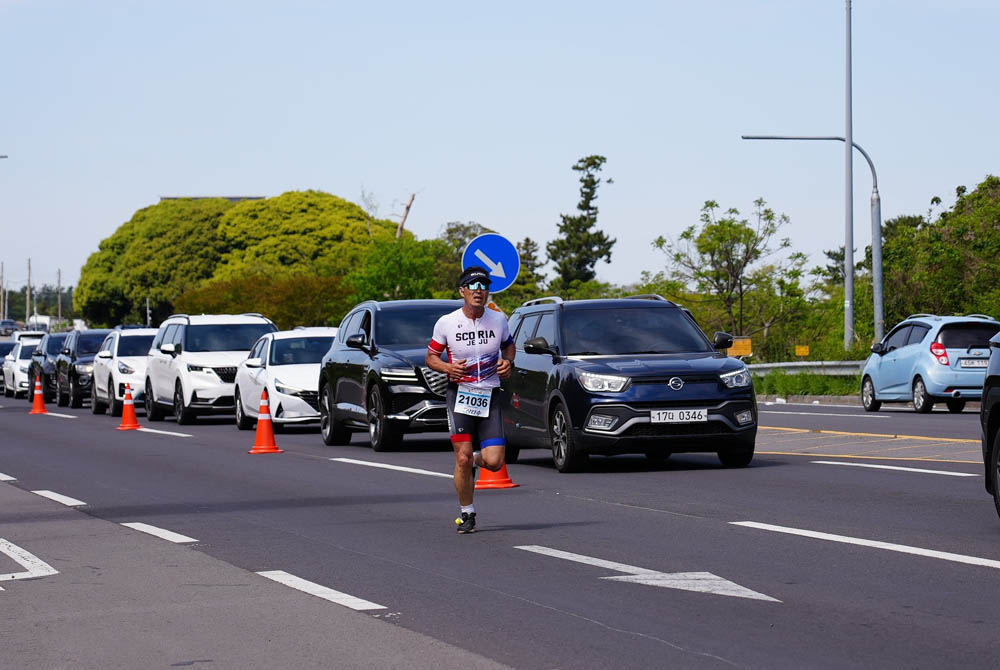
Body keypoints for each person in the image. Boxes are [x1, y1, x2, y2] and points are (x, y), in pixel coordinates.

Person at [426, 265, 515, 533]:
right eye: (473, 286)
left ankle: (475, 458)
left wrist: (508, 362)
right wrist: (447, 368)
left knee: (495, 462)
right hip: (460, 395)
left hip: (489, 394)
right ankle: (467, 513)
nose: (479, 291)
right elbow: (431, 357)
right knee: (461, 459)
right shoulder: (447, 322)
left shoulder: (498, 319)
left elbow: (509, 346)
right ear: (462, 291)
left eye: (483, 286)